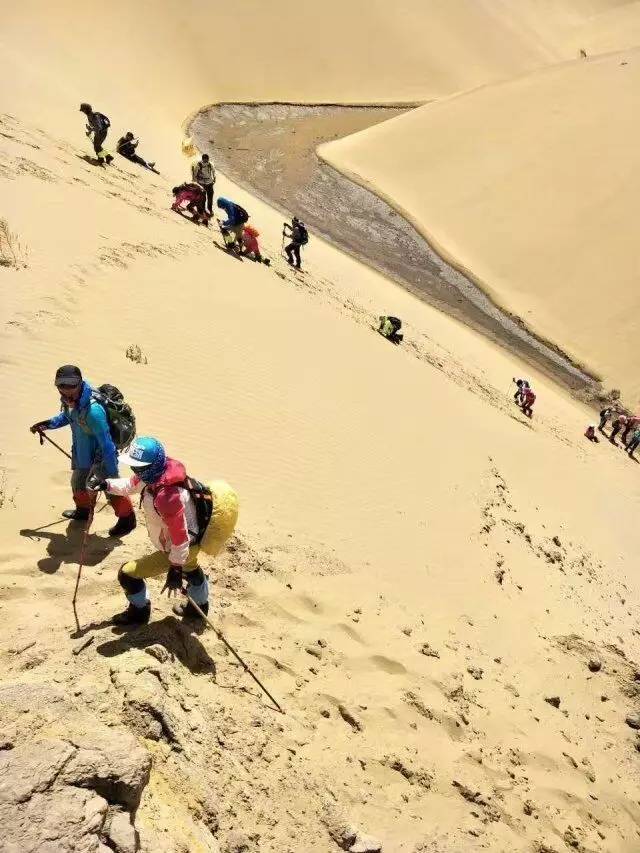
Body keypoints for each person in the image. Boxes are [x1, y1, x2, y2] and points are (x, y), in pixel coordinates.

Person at [89, 436, 238, 625]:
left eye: (138, 467)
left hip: (181, 548)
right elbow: (130, 485)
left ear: (149, 468)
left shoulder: (167, 498)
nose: (134, 471)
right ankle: (199, 609)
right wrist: (106, 484)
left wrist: (174, 568)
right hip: (192, 541)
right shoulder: (154, 475)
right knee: (191, 569)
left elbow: (180, 539)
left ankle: (139, 613)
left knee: (127, 575)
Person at [29, 365, 136, 536]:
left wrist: (112, 473)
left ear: (80, 383)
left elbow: (107, 445)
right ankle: (83, 512)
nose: (66, 390)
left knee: (109, 488)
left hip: (101, 456)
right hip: (82, 453)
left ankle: (127, 520)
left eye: (72, 385)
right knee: (78, 482)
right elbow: (68, 416)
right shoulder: (70, 400)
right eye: (61, 385)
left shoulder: (93, 411)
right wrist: (48, 424)